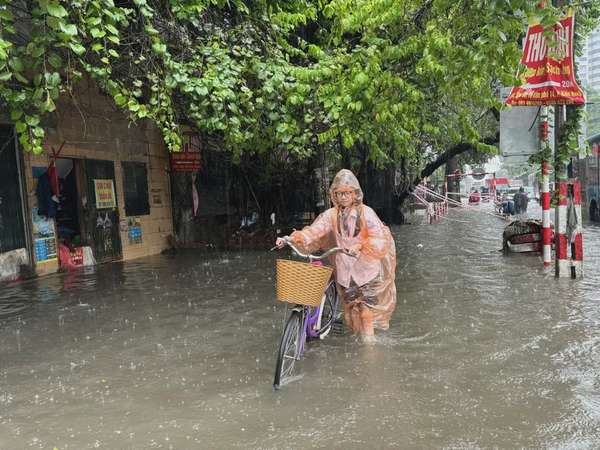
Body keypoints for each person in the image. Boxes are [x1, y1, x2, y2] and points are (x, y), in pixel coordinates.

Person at [275, 169, 396, 342]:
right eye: (339, 194)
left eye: (347, 193)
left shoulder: (366, 213)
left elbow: (380, 239)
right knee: (349, 310)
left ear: (354, 194)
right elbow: (315, 231)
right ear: (335, 195)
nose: (343, 197)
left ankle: (369, 345)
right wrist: (293, 238)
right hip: (345, 270)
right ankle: (356, 339)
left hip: (366, 269)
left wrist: (360, 245)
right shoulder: (331, 215)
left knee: (365, 310)